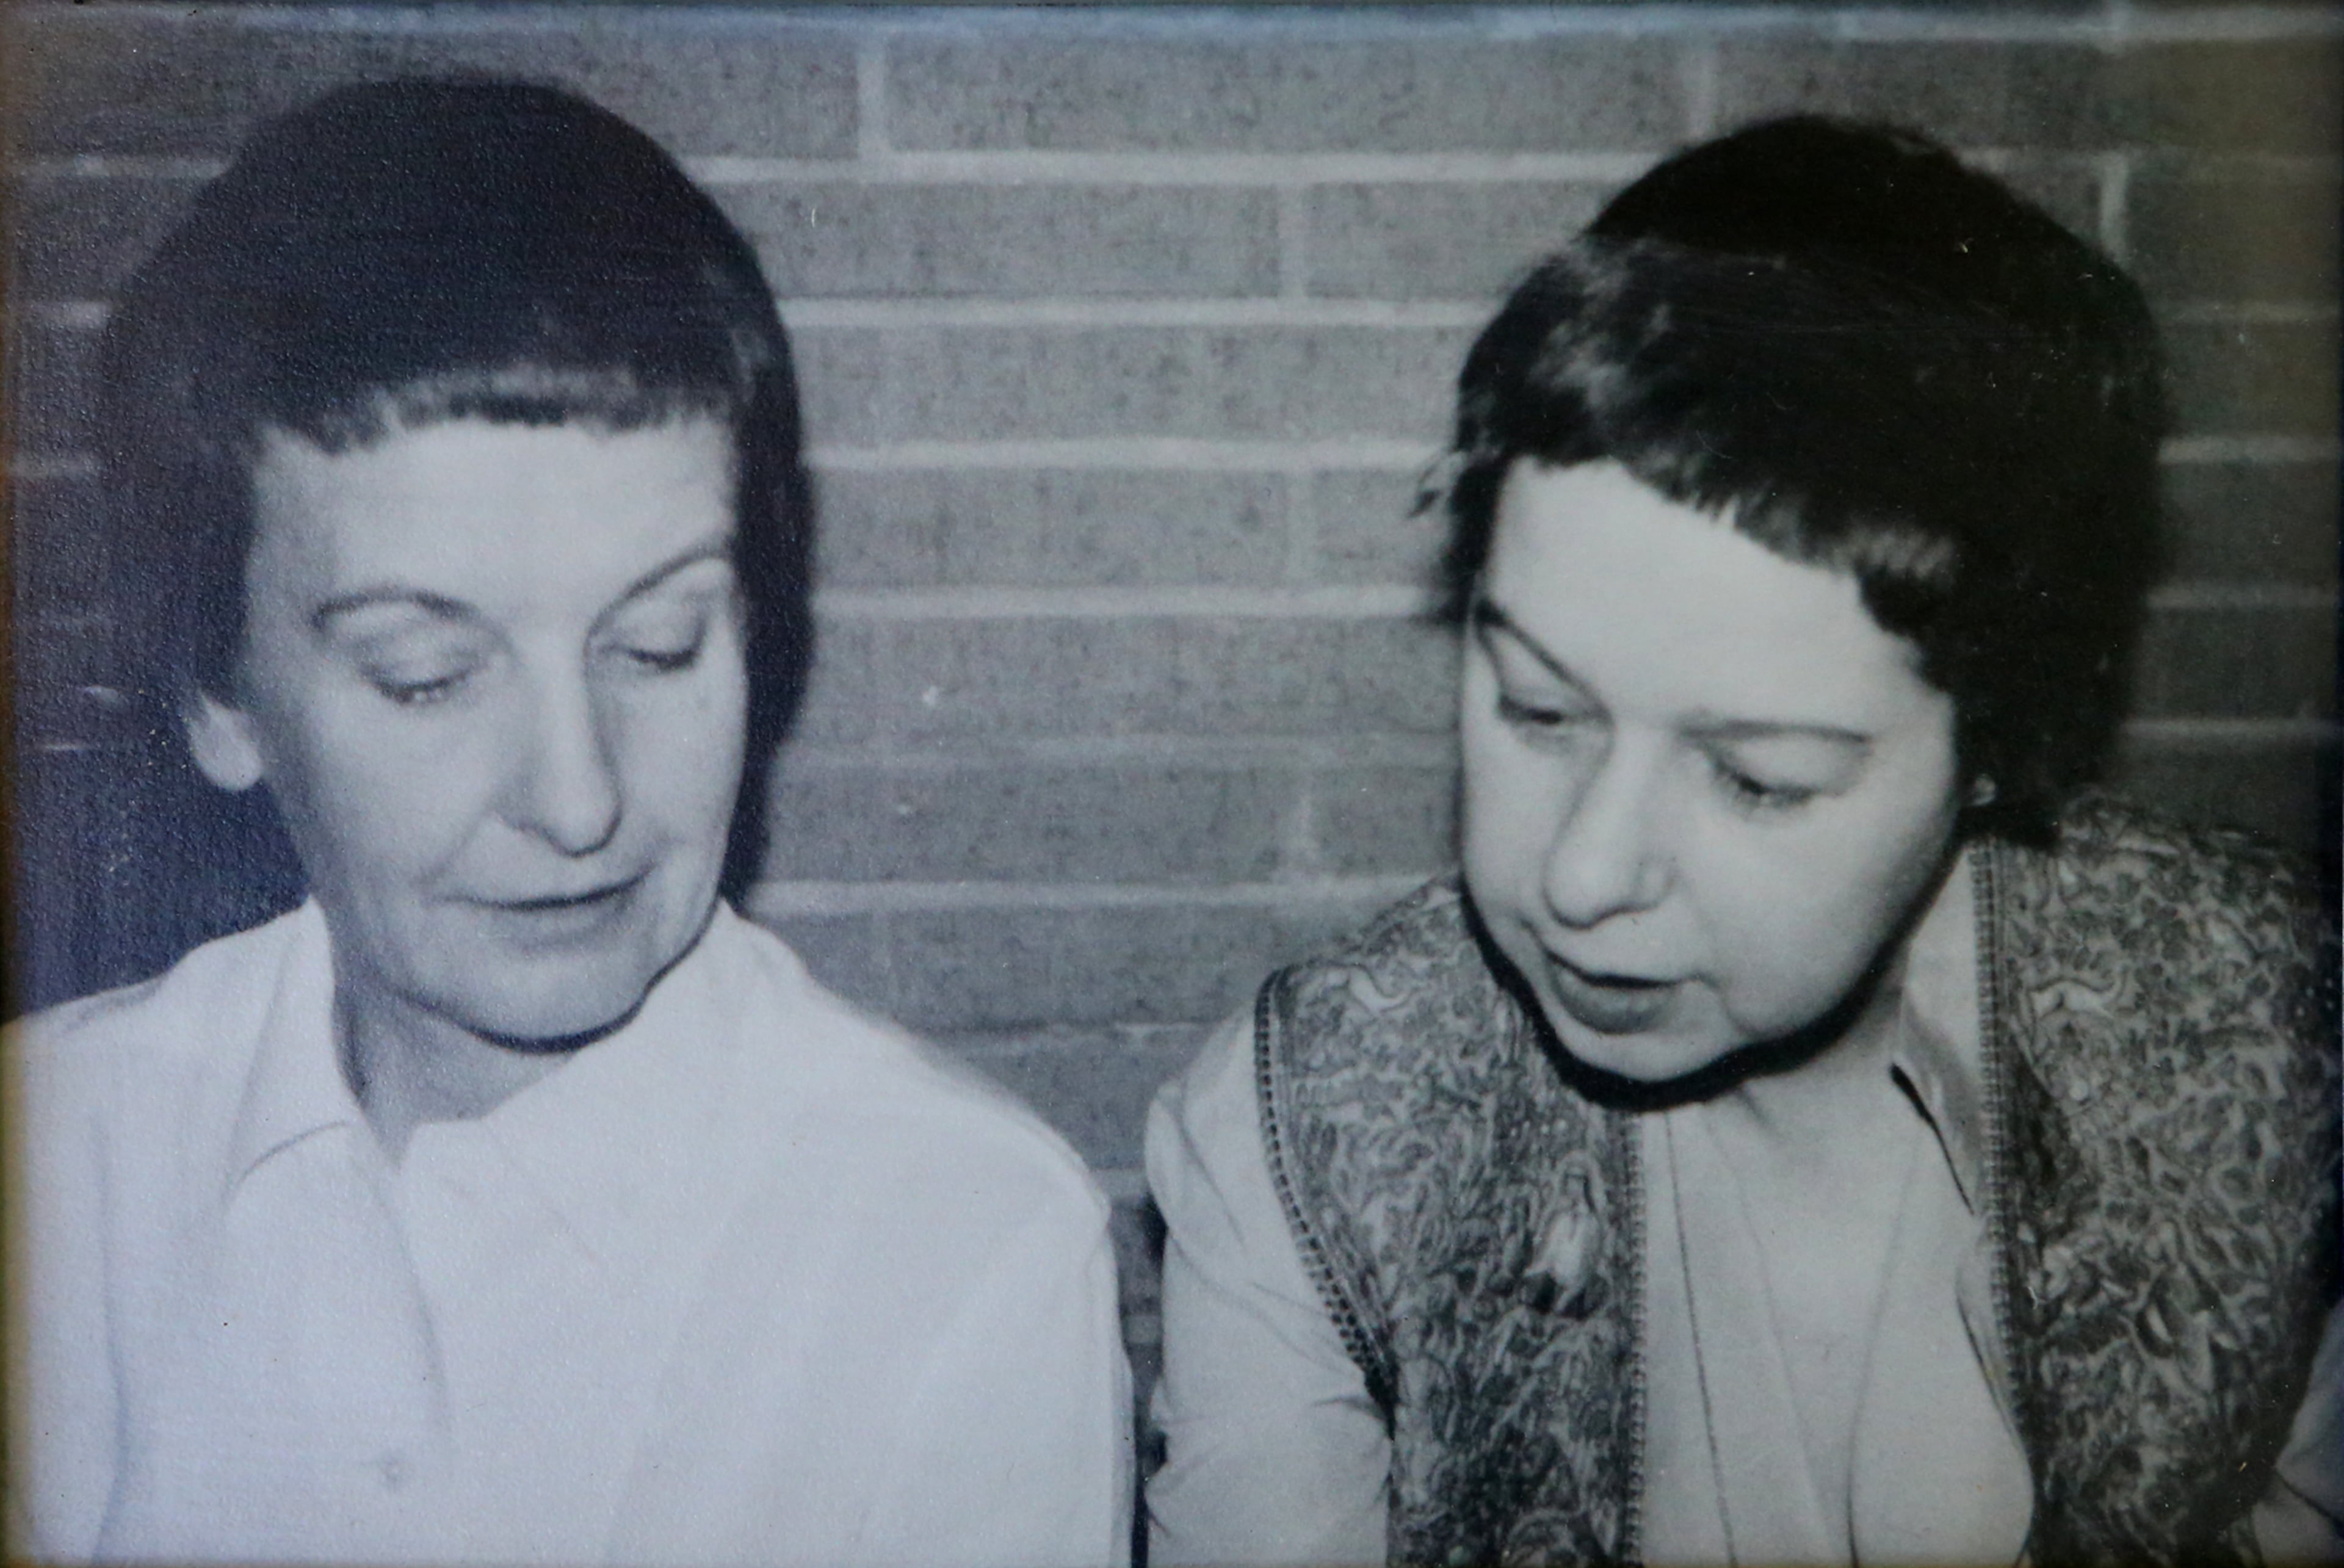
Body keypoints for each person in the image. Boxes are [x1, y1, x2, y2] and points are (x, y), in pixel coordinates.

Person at [1144, 116, 2340, 1567]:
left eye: (1760, 780)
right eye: (1537, 706)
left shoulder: (2292, 1035)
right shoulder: (1301, 1129)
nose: (1584, 875)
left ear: (2001, 749)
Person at [9, 78, 1130, 1567]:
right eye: (429, 674)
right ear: (220, 696)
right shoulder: (54, 1162)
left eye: (657, 644)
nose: (580, 796)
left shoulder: (959, 1239)